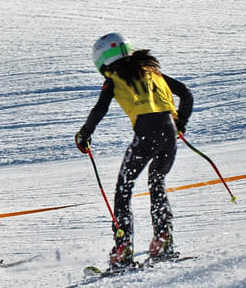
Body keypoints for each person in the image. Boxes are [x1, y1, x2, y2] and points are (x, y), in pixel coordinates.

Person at [75, 33, 193, 269]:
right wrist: (180, 123)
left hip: (146, 133)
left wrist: (84, 134)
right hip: (169, 134)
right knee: (157, 180)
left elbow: (100, 109)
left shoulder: (114, 77)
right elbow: (186, 94)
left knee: (124, 187)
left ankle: (123, 248)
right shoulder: (152, 71)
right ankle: (163, 239)